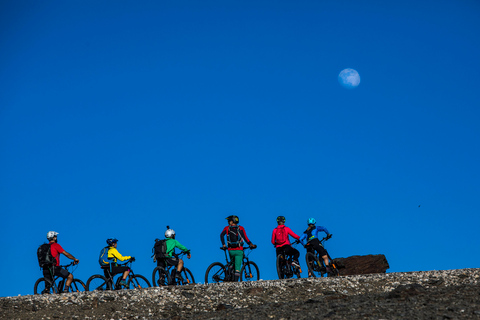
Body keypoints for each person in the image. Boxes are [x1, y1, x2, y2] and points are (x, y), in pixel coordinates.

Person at [220, 215, 257, 281]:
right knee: (237, 267)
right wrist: (251, 245)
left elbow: (221, 235)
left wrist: (224, 245)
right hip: (239, 250)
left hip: (230, 250)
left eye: (229, 221)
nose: (228, 222)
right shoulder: (241, 228)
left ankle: (229, 276)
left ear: (232, 221)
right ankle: (235, 282)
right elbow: (246, 238)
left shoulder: (227, 228)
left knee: (232, 263)